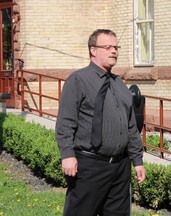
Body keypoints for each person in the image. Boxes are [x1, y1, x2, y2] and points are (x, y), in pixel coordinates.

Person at [55, 29, 146, 216]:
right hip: (90, 165)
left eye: (116, 47)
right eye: (107, 47)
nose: (114, 51)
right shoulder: (78, 80)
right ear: (93, 50)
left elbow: (130, 126)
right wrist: (67, 154)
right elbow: (66, 121)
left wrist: (137, 160)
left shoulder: (119, 84)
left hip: (120, 167)